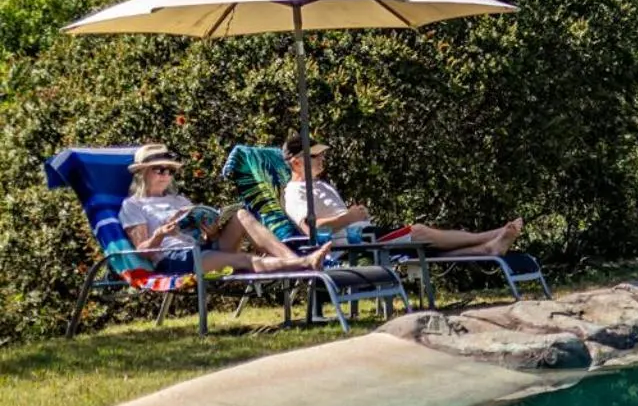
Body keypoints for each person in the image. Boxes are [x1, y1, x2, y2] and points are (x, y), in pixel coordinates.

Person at [282, 133, 524, 257]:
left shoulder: (320, 185)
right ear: (295, 163)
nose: (322, 158)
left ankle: (488, 250)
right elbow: (310, 230)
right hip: (349, 245)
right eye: (315, 156)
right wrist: (349, 218)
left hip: (365, 236)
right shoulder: (295, 192)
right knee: (419, 232)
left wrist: (355, 215)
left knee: (425, 245)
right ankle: (491, 235)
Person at [119, 143, 331, 275]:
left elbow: (205, 236)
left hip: (202, 250)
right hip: (176, 259)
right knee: (243, 259)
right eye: (160, 170)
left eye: (170, 171)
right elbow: (143, 251)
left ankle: (295, 260)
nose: (166, 175)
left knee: (240, 215)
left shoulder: (179, 200)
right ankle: (304, 263)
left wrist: (211, 231)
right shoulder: (134, 205)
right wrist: (160, 234)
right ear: (143, 173)